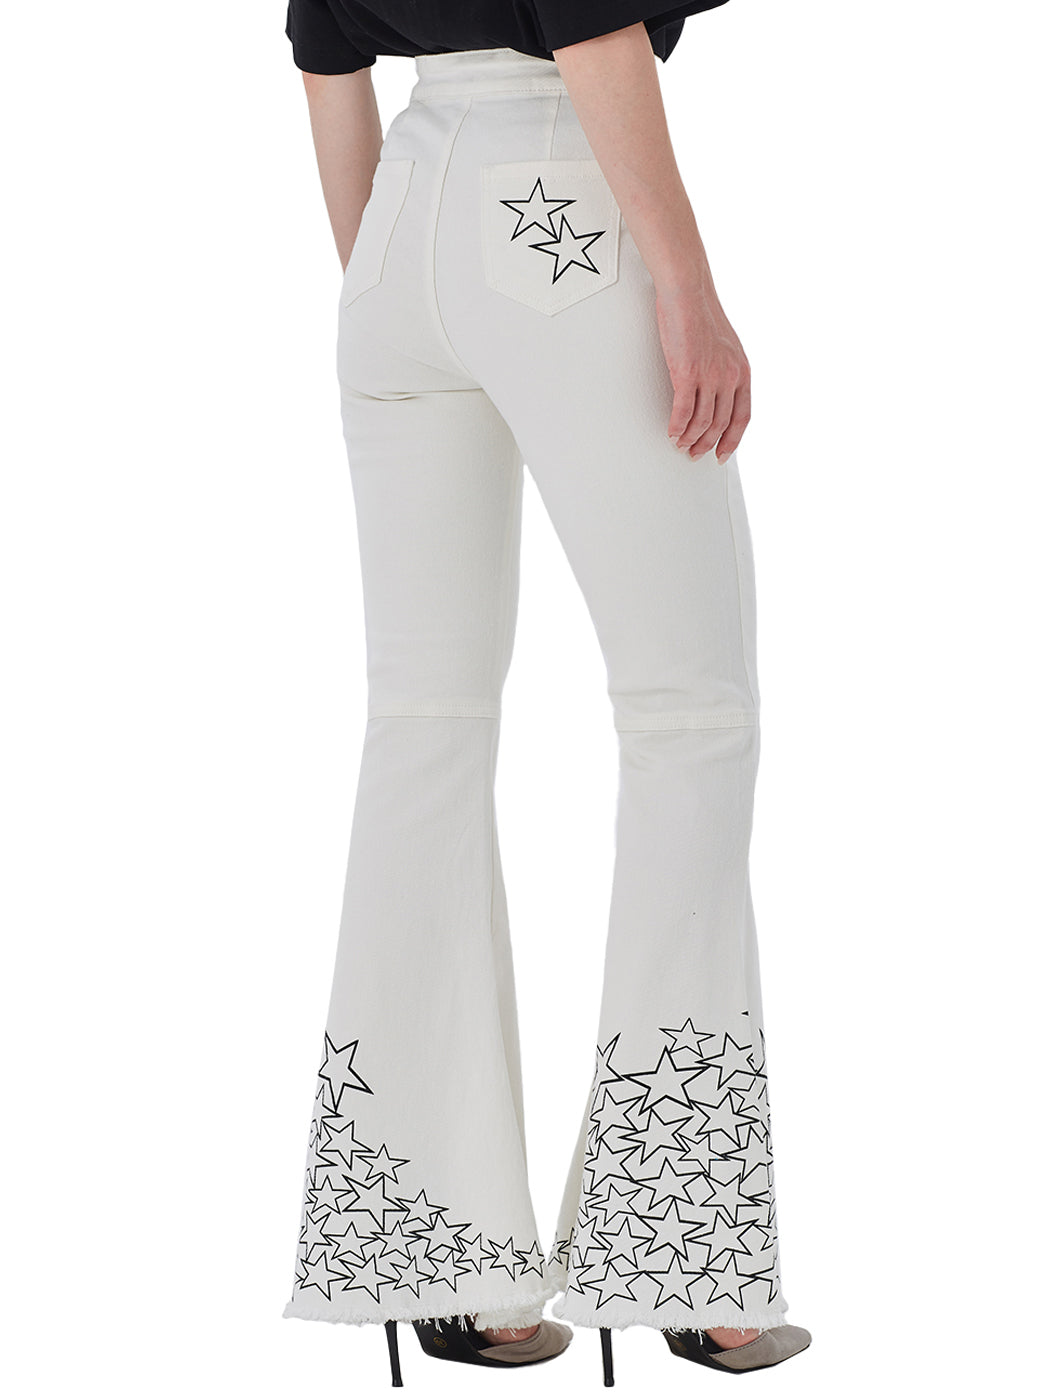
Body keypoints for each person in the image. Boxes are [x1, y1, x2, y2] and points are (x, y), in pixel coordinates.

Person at [279, 2, 812, 1385]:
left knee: (422, 727)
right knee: (689, 719)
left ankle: (431, 1255)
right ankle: (684, 1260)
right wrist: (686, 286)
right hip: (556, 202)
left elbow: (325, 54)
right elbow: (589, 27)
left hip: (393, 228)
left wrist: (394, 287)